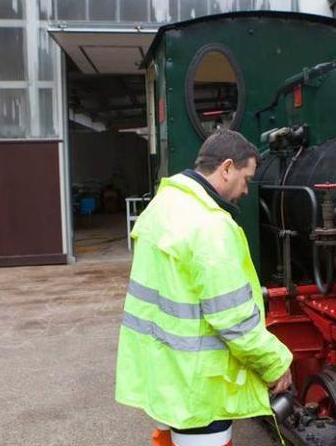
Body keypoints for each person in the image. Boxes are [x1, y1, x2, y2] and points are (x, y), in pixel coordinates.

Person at [116, 130, 293, 446]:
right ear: (226, 168)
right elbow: (233, 319)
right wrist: (275, 363)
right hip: (197, 384)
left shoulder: (165, 205)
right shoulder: (210, 227)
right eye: (246, 178)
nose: (246, 190)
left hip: (165, 373)